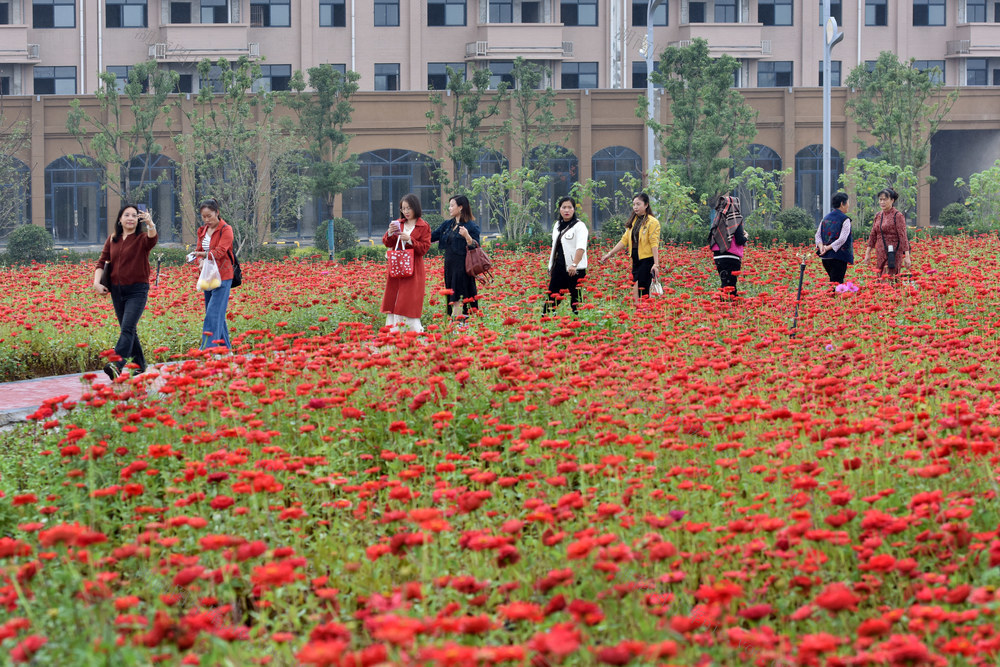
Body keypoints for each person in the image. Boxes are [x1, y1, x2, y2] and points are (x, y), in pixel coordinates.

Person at [93, 203, 158, 382]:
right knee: (128, 329)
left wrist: (150, 224)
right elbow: (101, 262)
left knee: (128, 328)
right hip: (117, 291)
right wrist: (96, 283)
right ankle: (140, 365)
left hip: (137, 290)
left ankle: (116, 364)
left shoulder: (142, 239)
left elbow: (153, 239)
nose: (130, 218)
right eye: (127, 215)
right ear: (120, 219)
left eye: (134, 215)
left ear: (138, 220)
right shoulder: (113, 239)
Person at [382, 193, 432, 333]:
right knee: (395, 297)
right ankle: (394, 329)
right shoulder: (399, 223)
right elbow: (387, 242)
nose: (406, 211)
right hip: (397, 266)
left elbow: (424, 248)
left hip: (414, 268)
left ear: (415, 207)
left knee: (409, 299)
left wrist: (410, 240)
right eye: (403, 208)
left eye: (409, 208)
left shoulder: (423, 226)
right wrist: (390, 233)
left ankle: (413, 330)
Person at [600, 193, 661, 301]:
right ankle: (638, 311)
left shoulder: (653, 222)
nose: (635, 207)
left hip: (647, 260)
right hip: (635, 259)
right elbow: (624, 240)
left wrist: (656, 264)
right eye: (634, 204)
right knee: (636, 285)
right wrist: (609, 254)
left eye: (638, 204)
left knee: (643, 287)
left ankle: (645, 312)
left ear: (646, 205)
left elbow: (654, 243)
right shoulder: (634, 220)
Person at [192, 198, 235, 351]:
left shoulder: (226, 229)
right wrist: (198, 259)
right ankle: (225, 350)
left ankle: (208, 350)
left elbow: (221, 252)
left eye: (209, 216)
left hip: (223, 276)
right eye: (203, 216)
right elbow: (199, 251)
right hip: (207, 275)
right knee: (217, 315)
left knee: (213, 313)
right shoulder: (202, 230)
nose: (206, 220)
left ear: (217, 213)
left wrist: (203, 256)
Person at [430, 195, 481, 319]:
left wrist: (467, 237)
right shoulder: (447, 225)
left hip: (462, 268)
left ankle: (457, 324)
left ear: (461, 207)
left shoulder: (470, 226)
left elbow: (476, 247)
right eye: (450, 205)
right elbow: (431, 236)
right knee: (452, 296)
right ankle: (457, 323)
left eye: (452, 205)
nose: (450, 208)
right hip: (450, 268)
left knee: (459, 296)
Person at [544, 196, 589, 314]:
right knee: (551, 298)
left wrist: (574, 264)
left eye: (570, 207)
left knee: (576, 300)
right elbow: (555, 247)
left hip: (574, 269)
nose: (567, 210)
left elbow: (581, 247)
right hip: (559, 267)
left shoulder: (579, 226)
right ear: (559, 209)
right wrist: (550, 267)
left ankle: (578, 324)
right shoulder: (557, 225)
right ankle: (546, 320)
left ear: (574, 209)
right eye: (564, 207)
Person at [862, 187, 911, 278]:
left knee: (889, 279)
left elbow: (903, 237)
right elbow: (873, 235)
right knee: (880, 279)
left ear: (892, 200)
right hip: (880, 252)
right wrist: (867, 253)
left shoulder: (898, 216)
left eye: (885, 199)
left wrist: (907, 256)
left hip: (894, 253)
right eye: (880, 199)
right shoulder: (878, 215)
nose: (882, 202)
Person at [709, 194, 747, 297]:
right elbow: (740, 240)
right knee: (731, 288)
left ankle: (723, 308)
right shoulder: (735, 218)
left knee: (725, 285)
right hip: (731, 257)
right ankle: (730, 309)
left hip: (718, 257)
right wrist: (746, 236)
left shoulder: (718, 217)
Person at [815, 192, 854, 285]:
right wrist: (827, 248)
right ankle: (834, 299)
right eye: (848, 202)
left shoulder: (825, 218)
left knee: (833, 282)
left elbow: (817, 235)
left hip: (826, 258)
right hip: (839, 257)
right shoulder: (845, 219)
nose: (848, 205)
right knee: (837, 284)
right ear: (842, 204)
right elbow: (842, 239)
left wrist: (822, 248)